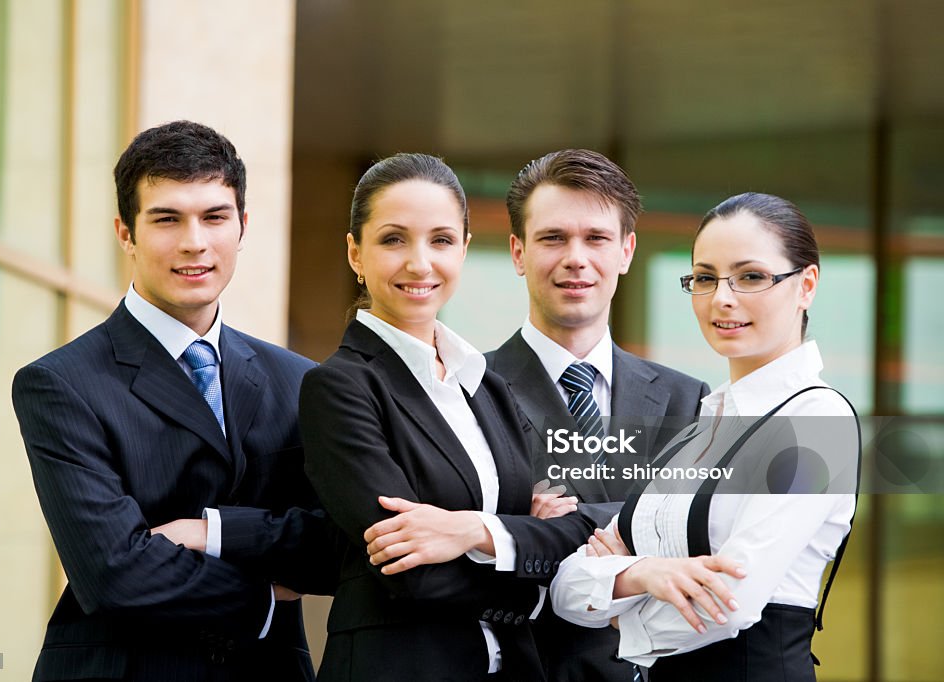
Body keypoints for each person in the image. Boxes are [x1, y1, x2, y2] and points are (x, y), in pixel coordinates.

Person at [12, 120, 330, 681]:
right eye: (166, 219)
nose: (194, 242)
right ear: (125, 232)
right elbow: (114, 571)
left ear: (243, 226)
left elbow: (337, 548)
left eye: (214, 217)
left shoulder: (299, 381)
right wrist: (265, 592)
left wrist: (213, 533)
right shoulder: (61, 383)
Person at [298, 153, 595, 682]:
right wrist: (527, 561)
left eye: (440, 240)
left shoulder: (485, 385)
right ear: (355, 253)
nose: (419, 263)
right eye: (393, 239)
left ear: (463, 249)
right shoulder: (341, 388)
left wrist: (470, 531)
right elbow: (408, 570)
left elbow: (575, 525)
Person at [549, 192, 861, 681]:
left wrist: (617, 607)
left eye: (751, 276)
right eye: (705, 277)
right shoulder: (699, 428)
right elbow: (567, 586)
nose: (722, 298)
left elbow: (727, 603)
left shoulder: (816, 421)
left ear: (806, 285)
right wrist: (644, 574)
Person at [485, 148, 709, 681]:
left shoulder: (687, 401)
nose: (576, 258)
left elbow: (696, 543)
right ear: (518, 251)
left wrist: (528, 528)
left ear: (627, 251)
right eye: (553, 238)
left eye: (597, 238)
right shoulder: (469, 390)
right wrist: (636, 525)